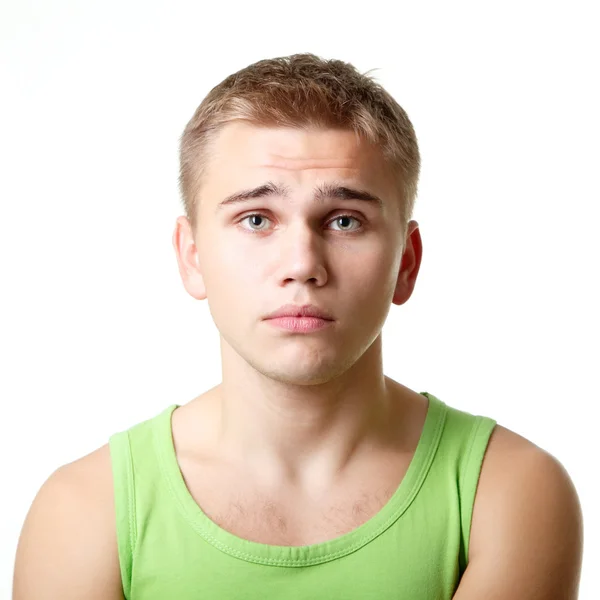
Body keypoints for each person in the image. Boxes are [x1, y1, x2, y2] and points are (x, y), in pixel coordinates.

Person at [12, 53, 583, 599]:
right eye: (256, 219)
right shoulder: (85, 510)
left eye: (344, 220)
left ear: (406, 262)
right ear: (191, 256)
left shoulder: (509, 490)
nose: (302, 265)